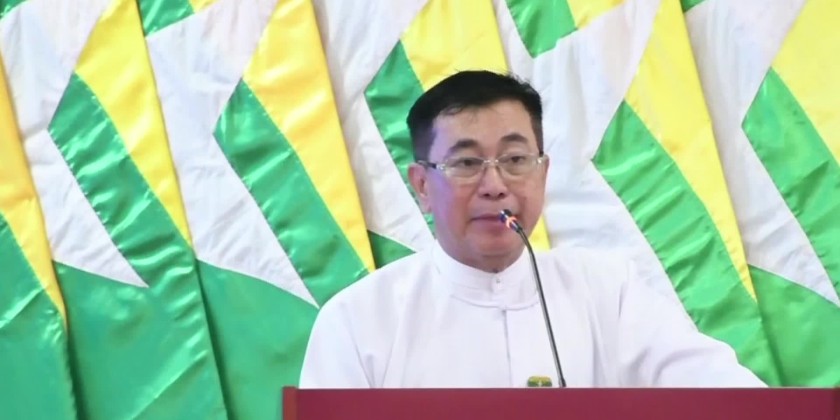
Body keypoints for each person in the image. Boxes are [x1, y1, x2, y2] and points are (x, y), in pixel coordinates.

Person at [298, 70, 766, 388]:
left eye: (516, 159)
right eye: (466, 163)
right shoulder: (358, 321)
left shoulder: (609, 291)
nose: (495, 185)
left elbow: (727, 397)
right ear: (422, 185)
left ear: (543, 172)